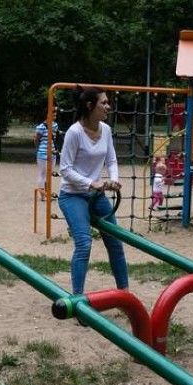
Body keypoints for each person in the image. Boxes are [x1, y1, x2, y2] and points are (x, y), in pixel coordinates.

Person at [58, 85, 129, 297]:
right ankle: (77, 299)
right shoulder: (74, 132)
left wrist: (114, 180)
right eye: (104, 103)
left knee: (115, 242)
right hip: (72, 195)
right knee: (84, 244)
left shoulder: (105, 130)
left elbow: (112, 160)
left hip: (95, 196)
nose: (108, 106)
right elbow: (65, 169)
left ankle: (125, 293)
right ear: (90, 106)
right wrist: (91, 183)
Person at [34, 112, 59, 201]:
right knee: (42, 174)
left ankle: (47, 194)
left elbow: (54, 138)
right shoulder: (41, 127)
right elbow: (37, 139)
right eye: (53, 114)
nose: (55, 115)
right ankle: (43, 195)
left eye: (56, 114)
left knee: (48, 175)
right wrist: (40, 149)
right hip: (43, 153)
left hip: (52, 153)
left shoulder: (55, 125)